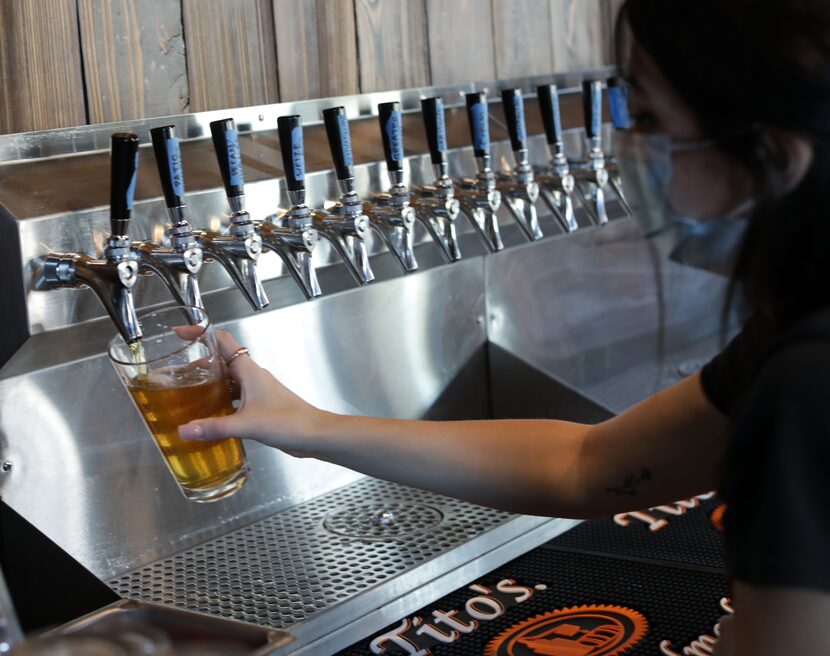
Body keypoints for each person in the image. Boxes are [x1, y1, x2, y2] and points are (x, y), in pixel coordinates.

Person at [179, 0, 830, 653]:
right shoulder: (790, 339)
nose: (628, 148)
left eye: (647, 118)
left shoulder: (806, 383)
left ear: (773, 153)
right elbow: (588, 464)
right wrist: (307, 426)